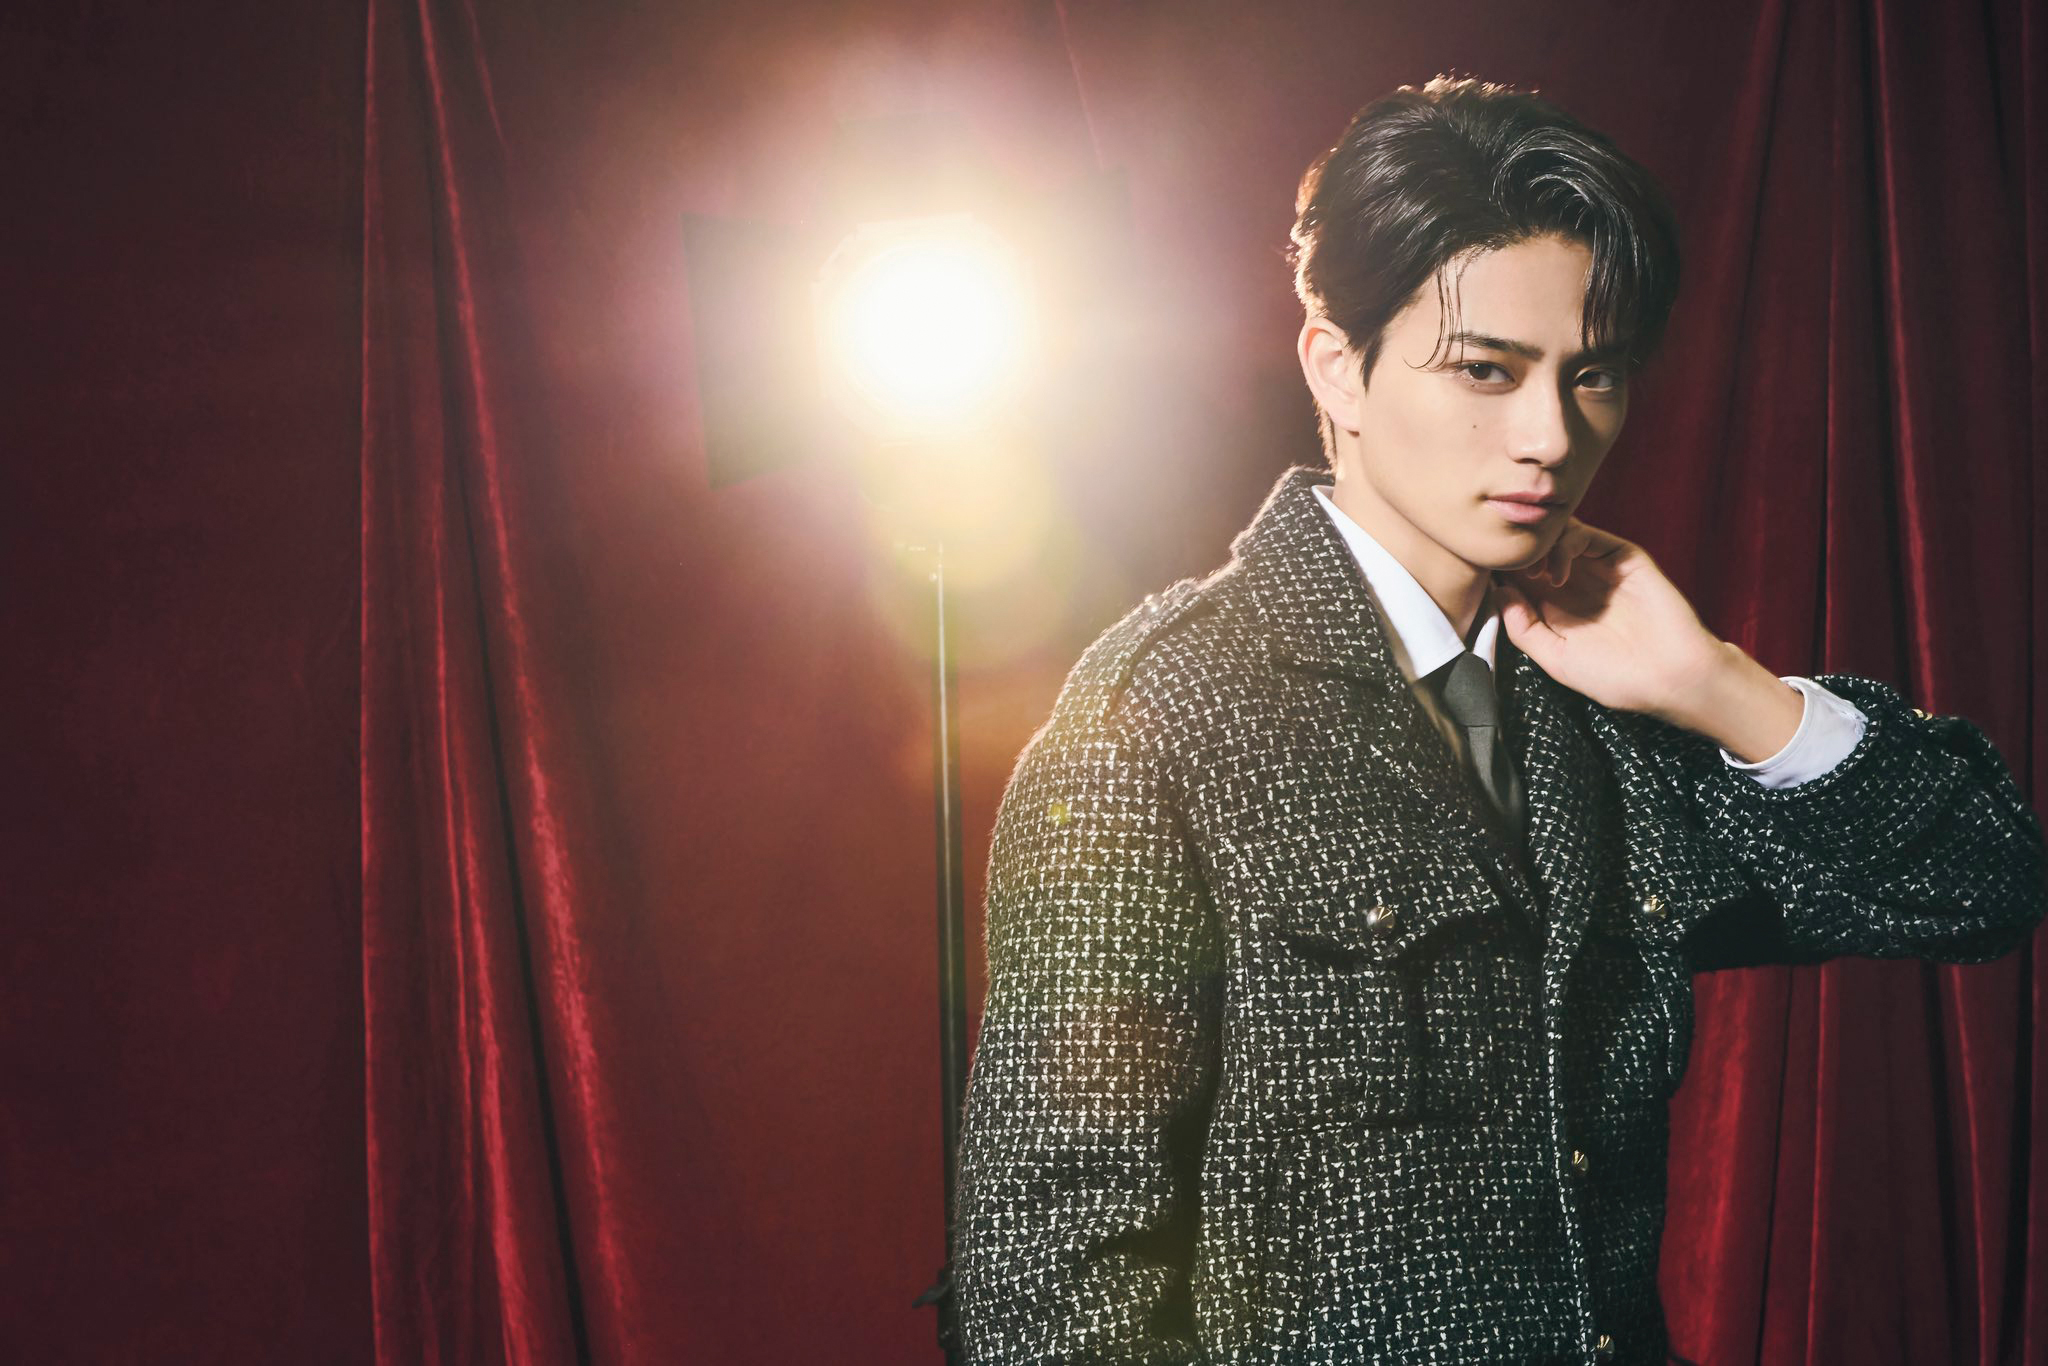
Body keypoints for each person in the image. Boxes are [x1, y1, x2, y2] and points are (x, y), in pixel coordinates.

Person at [949, 75, 2047, 1364]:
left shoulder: (1611, 702)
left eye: (1594, 377)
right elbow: (1047, 1277)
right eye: (1486, 369)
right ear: (1338, 368)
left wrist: (1719, 686)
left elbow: (1984, 883)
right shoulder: (1162, 716)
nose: (1550, 437)